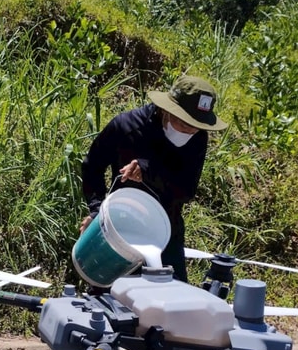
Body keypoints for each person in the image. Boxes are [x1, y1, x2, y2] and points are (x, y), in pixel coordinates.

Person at [79, 75, 228, 282]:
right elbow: (91, 166)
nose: (191, 130)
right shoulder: (126, 127)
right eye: (185, 124)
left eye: (197, 126)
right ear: (168, 109)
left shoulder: (197, 138)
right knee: (109, 292)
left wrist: (148, 171)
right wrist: (97, 212)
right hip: (121, 226)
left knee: (171, 300)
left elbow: (186, 190)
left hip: (166, 228)